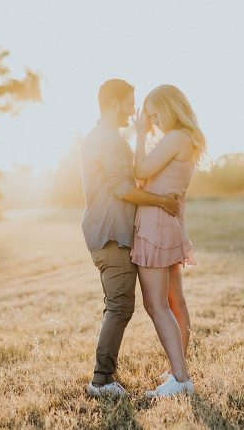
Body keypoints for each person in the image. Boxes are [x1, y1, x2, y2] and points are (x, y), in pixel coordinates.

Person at [80, 79, 180, 397]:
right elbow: (123, 189)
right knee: (120, 306)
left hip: (110, 232)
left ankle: (105, 376)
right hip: (111, 233)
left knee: (118, 305)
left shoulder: (104, 138)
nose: (133, 109)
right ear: (113, 104)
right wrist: (164, 201)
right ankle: (101, 380)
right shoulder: (108, 140)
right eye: (129, 102)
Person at [131, 84, 206, 398]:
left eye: (154, 113)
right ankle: (179, 368)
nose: (152, 121)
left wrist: (138, 134)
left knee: (156, 303)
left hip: (155, 225)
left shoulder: (175, 138)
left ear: (170, 107)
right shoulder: (185, 138)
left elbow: (140, 169)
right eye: (147, 117)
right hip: (169, 224)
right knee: (175, 301)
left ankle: (180, 377)